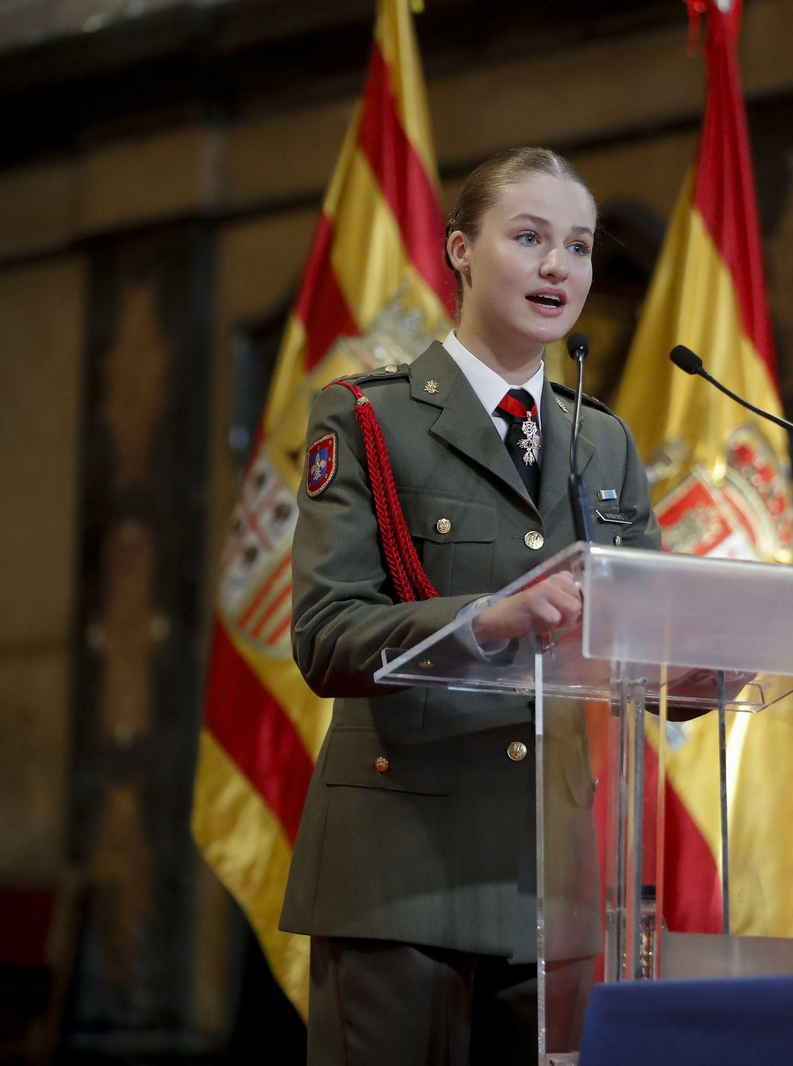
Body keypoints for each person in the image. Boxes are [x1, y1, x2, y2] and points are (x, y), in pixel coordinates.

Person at [279, 147, 662, 1066]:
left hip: (555, 886)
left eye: (577, 246)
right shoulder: (370, 418)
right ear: (459, 250)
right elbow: (327, 637)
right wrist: (485, 618)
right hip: (397, 878)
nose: (557, 267)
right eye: (528, 238)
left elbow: (650, 635)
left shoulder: (601, 442)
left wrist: (704, 657)